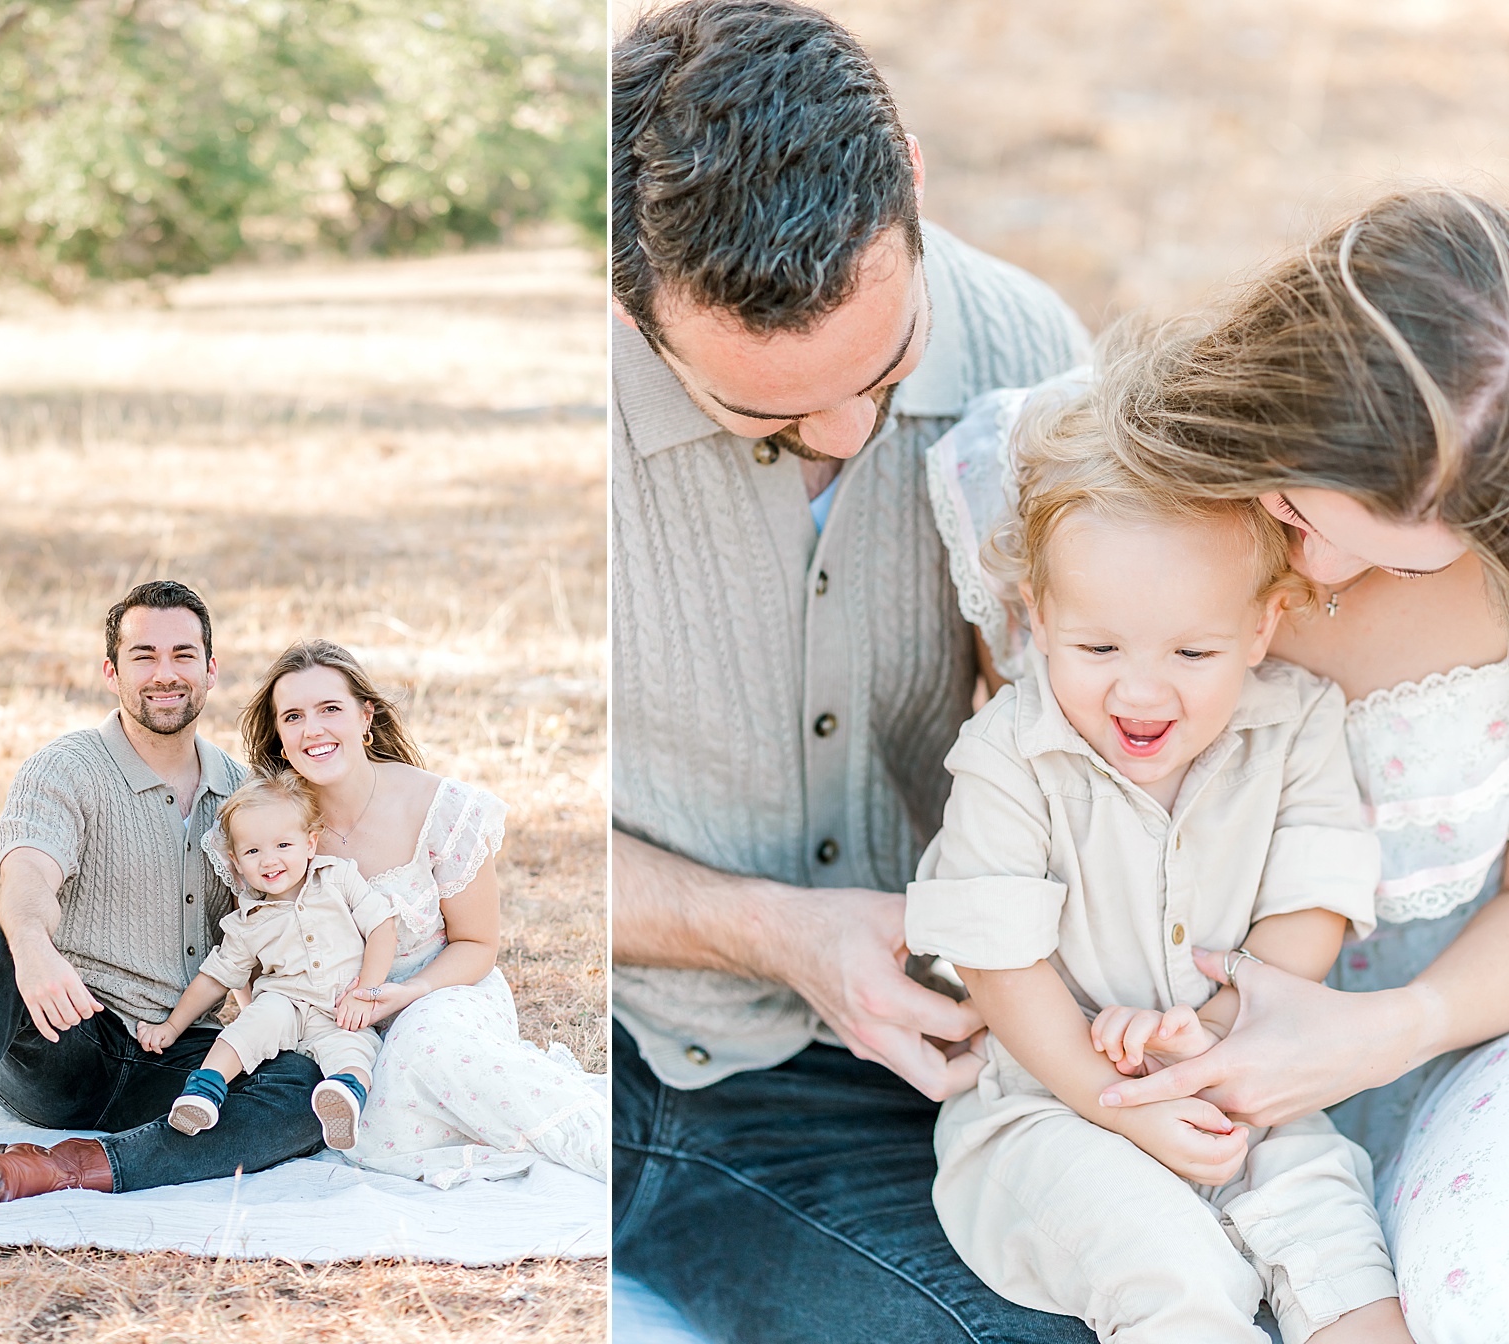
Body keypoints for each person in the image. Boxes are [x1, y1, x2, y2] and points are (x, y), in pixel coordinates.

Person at [926, 188, 1509, 1341]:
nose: (1323, 571)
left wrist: (1388, 1025)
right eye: (1298, 508)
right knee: (1170, 1279)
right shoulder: (1078, 500)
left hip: (1450, 1044)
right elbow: (1010, 825)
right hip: (1114, 1065)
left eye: (1394, 559)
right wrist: (1127, 1060)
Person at [610, 1, 1091, 1337]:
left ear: (915, 181)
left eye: (887, 366)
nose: (845, 427)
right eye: (761, 409)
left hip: (854, 1080)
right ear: (626, 308)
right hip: (551, 1029)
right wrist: (770, 931)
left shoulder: (1031, 359)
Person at [905, 388, 1407, 1343]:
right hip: (1051, 1105)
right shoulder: (1011, 754)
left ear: (1261, 627)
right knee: (1171, 1273)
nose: (1141, 688)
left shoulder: (1296, 720)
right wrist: (1122, 1103)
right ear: (1039, 617)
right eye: (1098, 646)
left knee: (1335, 1244)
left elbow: (1312, 904)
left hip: (1243, 1073)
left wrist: (1219, 1033)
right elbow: (1000, 967)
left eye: (1192, 648)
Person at [0, 580, 328, 1254]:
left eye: (182, 655)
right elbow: (28, 875)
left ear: (210, 670)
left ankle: (74, 1167)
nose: (164, 674)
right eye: (143, 656)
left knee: (307, 1085)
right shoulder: (66, 768)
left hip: (176, 1056)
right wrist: (33, 945)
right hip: (67, 1042)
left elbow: (265, 932)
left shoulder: (242, 793)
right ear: (112, 672)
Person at [236, 639, 606, 1185]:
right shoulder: (267, 826)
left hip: (442, 996)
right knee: (366, 1117)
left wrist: (409, 994)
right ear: (281, 739)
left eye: (330, 709)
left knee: (425, 1049)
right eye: (293, 717)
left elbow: (477, 945)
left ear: (367, 717)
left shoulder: (444, 809)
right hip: (332, 1026)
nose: (312, 729)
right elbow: (250, 950)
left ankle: (603, 1148)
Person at [135, 772, 396, 1151]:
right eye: (253, 851)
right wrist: (173, 1026)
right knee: (249, 1027)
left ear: (310, 843)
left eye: (283, 845)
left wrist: (366, 993)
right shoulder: (247, 922)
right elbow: (216, 977)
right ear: (236, 862)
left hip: (342, 1007)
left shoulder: (338, 879)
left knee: (356, 1049)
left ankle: (343, 1095)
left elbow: (382, 928)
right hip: (284, 1003)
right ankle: (205, 1089)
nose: (269, 860)